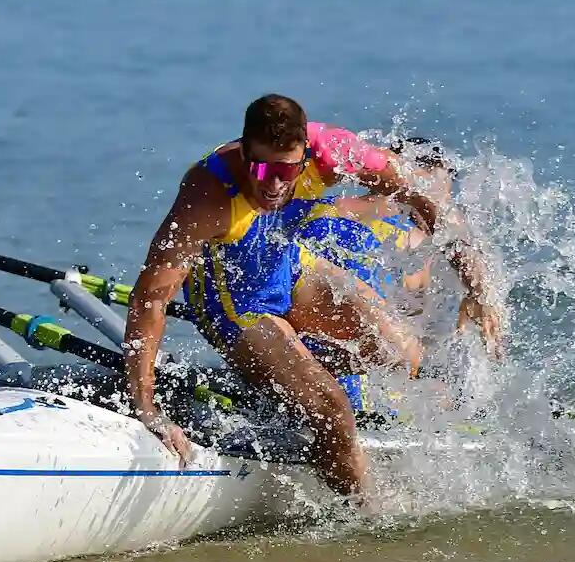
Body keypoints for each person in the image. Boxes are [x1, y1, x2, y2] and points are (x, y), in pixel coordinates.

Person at [123, 94, 502, 499]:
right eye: (262, 168)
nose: (273, 184)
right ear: (244, 150)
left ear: (306, 155)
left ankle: (286, 377)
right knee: (333, 409)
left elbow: (421, 199)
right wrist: (146, 408)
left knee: (401, 355)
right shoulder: (208, 194)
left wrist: (476, 288)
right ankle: (362, 519)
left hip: (293, 270)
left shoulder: (335, 152)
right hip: (234, 305)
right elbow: (151, 298)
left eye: (286, 170)